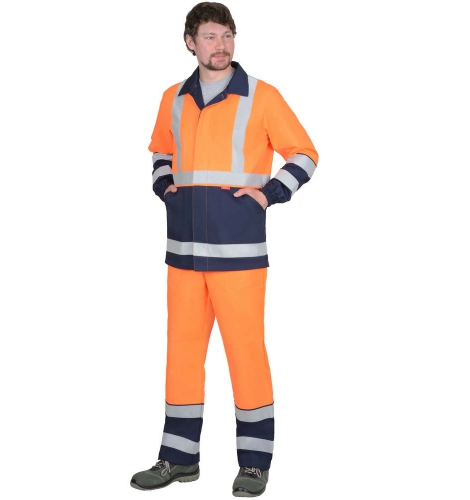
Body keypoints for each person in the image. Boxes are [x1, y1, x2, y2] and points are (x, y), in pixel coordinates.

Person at [130, 2, 318, 497]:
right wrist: (163, 185)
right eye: (210, 36)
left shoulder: (261, 95)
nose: (221, 45)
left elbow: (305, 154)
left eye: (227, 35)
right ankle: (178, 459)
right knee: (182, 353)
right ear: (190, 42)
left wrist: (270, 193)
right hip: (183, 252)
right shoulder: (173, 97)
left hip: (239, 252)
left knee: (245, 352)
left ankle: (254, 464)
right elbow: (161, 149)